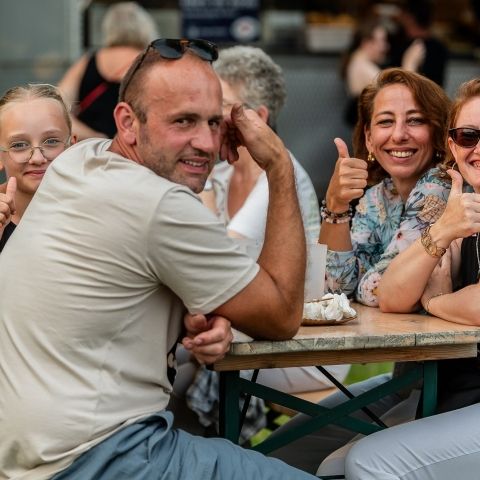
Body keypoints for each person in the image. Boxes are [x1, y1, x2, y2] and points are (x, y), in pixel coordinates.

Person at [0, 38, 317, 480]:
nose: (206, 142)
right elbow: (282, 316)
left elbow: (120, 270)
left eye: (213, 121)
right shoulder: (160, 202)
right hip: (98, 456)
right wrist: (279, 165)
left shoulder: (79, 163)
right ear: (127, 122)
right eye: (184, 121)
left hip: (30, 453)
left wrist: (200, 305)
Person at [268, 67, 451, 475]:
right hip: (411, 375)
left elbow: (377, 289)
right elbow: (338, 287)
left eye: (415, 120)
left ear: (439, 134)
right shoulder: (378, 195)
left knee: (334, 467)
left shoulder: (440, 187)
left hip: (447, 383)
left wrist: (366, 279)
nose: (399, 135)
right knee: (285, 450)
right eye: (385, 122)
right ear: (368, 138)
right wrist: (335, 205)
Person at [175, 45, 348, 441]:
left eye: (220, 110)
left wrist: (198, 208)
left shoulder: (281, 177)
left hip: (304, 344)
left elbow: (214, 259)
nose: (209, 120)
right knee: (164, 363)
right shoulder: (219, 175)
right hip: (246, 328)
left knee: (175, 367)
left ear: (256, 119)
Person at [344, 78, 480, 480]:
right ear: (453, 146)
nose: (479, 147)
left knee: (369, 463)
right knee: (303, 448)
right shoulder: (462, 212)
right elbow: (391, 295)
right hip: (445, 391)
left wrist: (436, 302)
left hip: (453, 394)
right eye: (469, 135)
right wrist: (441, 232)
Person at [58, 2, 158, 140]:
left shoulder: (88, 60)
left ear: (108, 29)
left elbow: (57, 107)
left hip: (91, 150)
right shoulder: (152, 60)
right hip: (135, 148)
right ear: (146, 28)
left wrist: (95, 138)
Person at [0, 83, 75, 252]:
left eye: (51, 141)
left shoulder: (94, 213)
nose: (38, 158)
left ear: (73, 146)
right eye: (19, 145)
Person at [341, 17, 424, 127]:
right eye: (382, 41)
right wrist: (410, 63)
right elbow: (402, 95)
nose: (386, 47)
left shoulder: (357, 61)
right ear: (366, 43)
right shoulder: (363, 67)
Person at [388, 0, 448, 87]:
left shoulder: (406, 46)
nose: (400, 16)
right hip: (432, 97)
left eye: (403, 13)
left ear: (410, 18)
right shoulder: (439, 47)